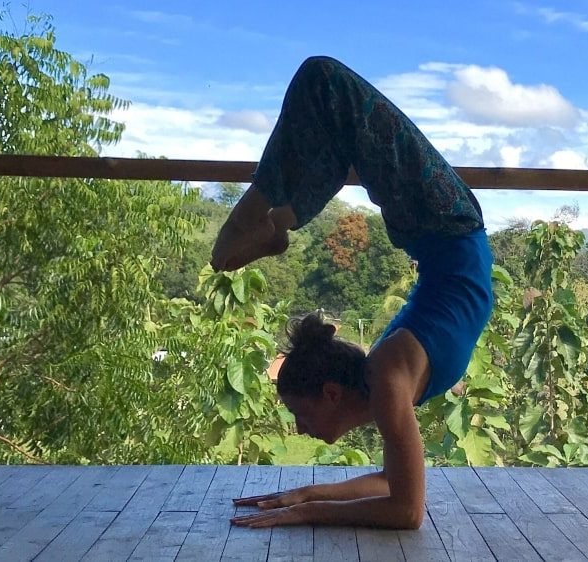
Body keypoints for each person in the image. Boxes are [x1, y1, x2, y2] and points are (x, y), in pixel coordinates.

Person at [213, 56, 494, 530]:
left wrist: (307, 512)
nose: (300, 429)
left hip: (442, 218)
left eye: (300, 415)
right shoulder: (385, 381)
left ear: (330, 393)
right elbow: (393, 484)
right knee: (335, 136)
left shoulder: (386, 378)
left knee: (321, 79)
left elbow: (406, 511)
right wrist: (306, 493)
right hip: (441, 226)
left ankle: (258, 218)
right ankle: (276, 223)